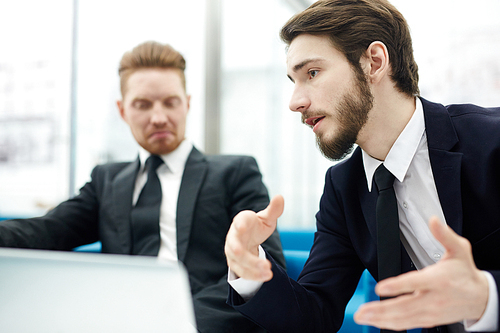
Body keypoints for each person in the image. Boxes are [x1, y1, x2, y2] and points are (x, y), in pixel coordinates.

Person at [224, 1, 500, 333]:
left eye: (312, 73)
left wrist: (487, 297)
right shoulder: (343, 189)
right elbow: (314, 314)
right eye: (293, 81)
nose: (295, 101)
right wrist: (251, 272)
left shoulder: (490, 141)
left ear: (374, 62)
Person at [0, 41, 286, 333]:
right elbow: (47, 230)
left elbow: (266, 264)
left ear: (187, 103)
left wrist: (182, 325)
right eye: (143, 104)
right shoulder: (106, 181)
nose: (159, 117)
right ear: (123, 110)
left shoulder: (235, 173)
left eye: (170, 102)